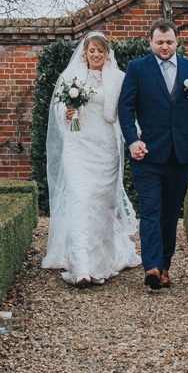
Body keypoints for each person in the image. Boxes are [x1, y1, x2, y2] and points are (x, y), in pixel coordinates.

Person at [118, 19, 188, 290]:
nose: (165, 46)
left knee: (171, 213)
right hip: (147, 155)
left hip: (181, 155)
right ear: (149, 41)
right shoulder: (137, 68)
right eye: (159, 42)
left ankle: (164, 266)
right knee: (151, 209)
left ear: (177, 42)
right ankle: (151, 266)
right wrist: (131, 141)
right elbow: (125, 109)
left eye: (169, 42)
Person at [41, 31, 141, 286]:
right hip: (78, 146)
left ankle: (100, 262)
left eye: (100, 50)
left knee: (102, 205)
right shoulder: (72, 76)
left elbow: (127, 111)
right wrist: (67, 110)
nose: (96, 55)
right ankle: (82, 266)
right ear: (85, 52)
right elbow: (58, 108)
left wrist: (137, 136)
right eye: (91, 50)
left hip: (105, 148)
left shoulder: (119, 78)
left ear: (107, 53)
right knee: (80, 200)